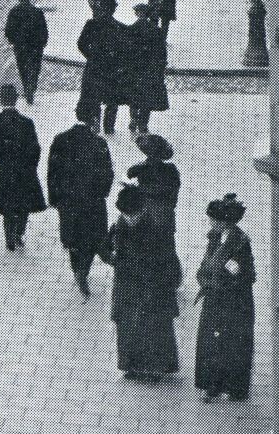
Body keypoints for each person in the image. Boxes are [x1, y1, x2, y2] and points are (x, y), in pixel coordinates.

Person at [100, 186, 182, 382]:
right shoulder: (119, 225)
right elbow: (103, 248)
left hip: (152, 286)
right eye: (126, 214)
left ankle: (156, 369)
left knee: (153, 327)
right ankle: (133, 366)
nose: (130, 218)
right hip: (126, 287)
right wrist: (114, 261)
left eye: (133, 214)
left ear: (142, 209)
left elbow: (166, 261)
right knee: (128, 327)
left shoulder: (156, 229)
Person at [194, 194, 256, 402]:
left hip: (234, 302)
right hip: (216, 297)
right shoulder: (215, 236)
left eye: (215, 220)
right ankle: (213, 383)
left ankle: (229, 386)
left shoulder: (239, 244)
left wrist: (218, 281)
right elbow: (207, 263)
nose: (211, 223)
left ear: (226, 222)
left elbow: (244, 275)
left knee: (229, 343)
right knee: (212, 341)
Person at [45, 116, 115, 298]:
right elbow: (108, 172)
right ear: (93, 120)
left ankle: (77, 267)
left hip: (68, 202)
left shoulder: (60, 139)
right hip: (93, 201)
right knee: (92, 236)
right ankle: (83, 270)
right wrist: (103, 192)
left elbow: (52, 171)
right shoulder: (99, 143)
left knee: (73, 236)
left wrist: (54, 198)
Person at [0, 84, 47, 251]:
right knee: (23, 204)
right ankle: (19, 232)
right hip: (24, 170)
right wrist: (30, 165)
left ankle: (9, 237)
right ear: (16, 99)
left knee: (7, 205)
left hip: (4, 171)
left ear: (0, 100)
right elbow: (36, 148)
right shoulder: (27, 123)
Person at [76, 0, 129, 133]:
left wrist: (92, 56)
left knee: (94, 96)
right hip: (111, 68)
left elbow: (81, 44)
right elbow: (124, 50)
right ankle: (109, 126)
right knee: (111, 97)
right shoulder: (118, 27)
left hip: (95, 66)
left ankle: (95, 122)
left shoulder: (92, 24)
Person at [122, 4, 172, 133]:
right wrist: (160, 67)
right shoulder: (156, 30)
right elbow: (162, 52)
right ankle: (143, 124)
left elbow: (126, 51)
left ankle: (133, 118)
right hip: (150, 69)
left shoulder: (131, 29)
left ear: (137, 14)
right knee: (147, 97)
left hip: (135, 68)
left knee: (134, 95)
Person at [126, 131, 181, 238]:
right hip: (165, 218)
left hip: (145, 216)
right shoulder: (172, 171)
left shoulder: (140, 169)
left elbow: (127, 177)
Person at [3, 0, 49, 104]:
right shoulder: (37, 12)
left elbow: (8, 30)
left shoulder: (14, 11)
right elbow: (44, 29)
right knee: (35, 68)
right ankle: (32, 87)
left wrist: (13, 41)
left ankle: (26, 88)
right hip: (35, 46)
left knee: (22, 68)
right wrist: (42, 43)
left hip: (20, 46)